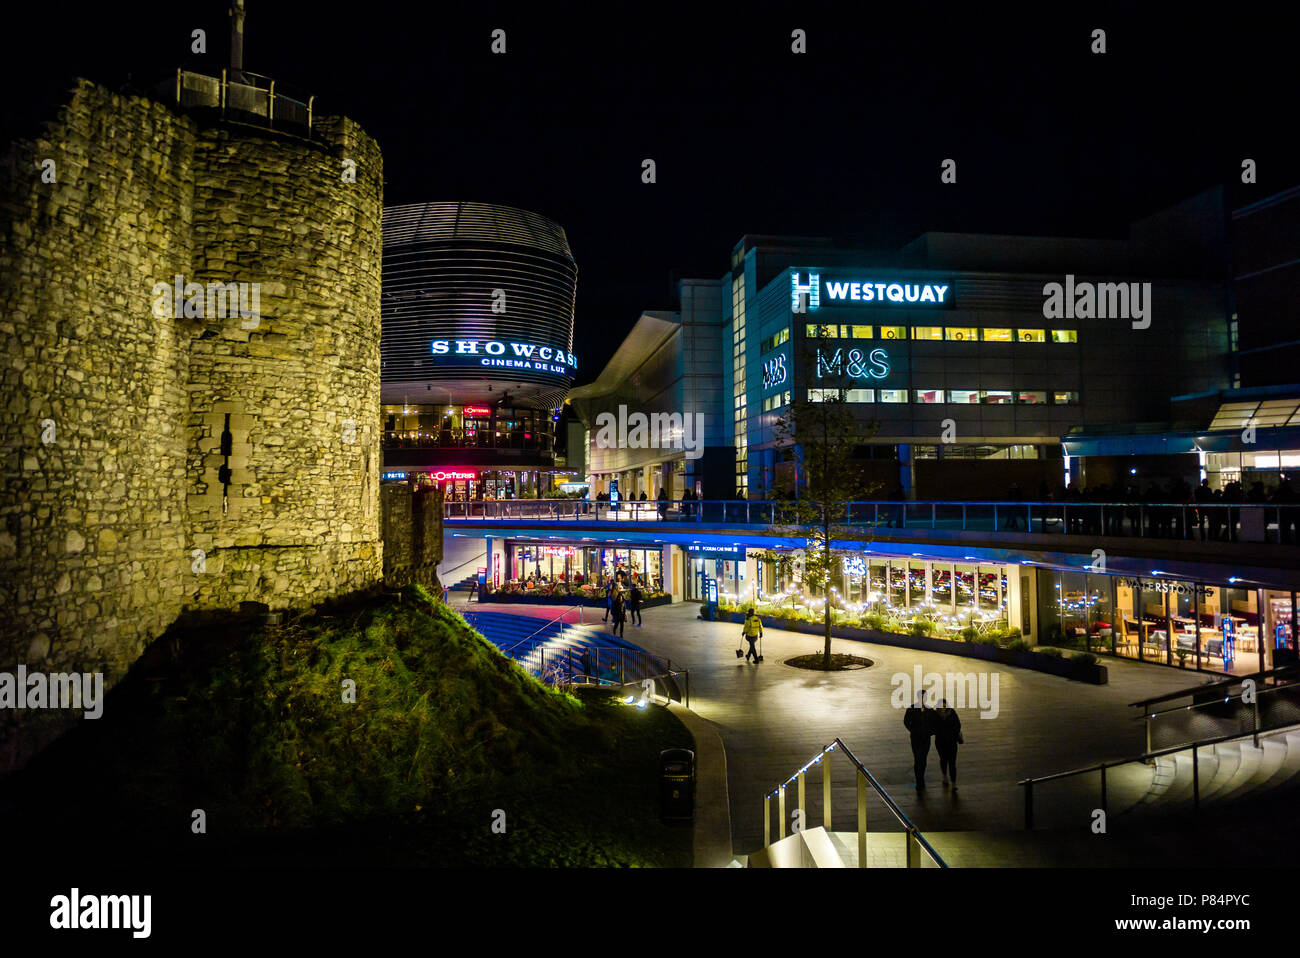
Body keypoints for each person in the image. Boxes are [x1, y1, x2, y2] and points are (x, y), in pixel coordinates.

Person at [903, 692, 934, 788]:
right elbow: (906, 721)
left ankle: (921, 777)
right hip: (917, 738)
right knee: (918, 758)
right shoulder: (913, 709)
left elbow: (934, 722)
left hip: (925, 737)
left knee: (923, 759)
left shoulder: (929, 709)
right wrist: (913, 730)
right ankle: (919, 779)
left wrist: (930, 731)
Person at [934, 699, 963, 788]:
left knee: (952, 763)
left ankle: (953, 782)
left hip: (951, 742)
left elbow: (958, 725)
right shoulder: (935, 715)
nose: (943, 708)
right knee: (943, 759)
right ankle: (945, 776)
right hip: (941, 742)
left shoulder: (951, 713)